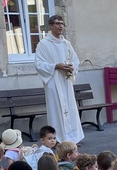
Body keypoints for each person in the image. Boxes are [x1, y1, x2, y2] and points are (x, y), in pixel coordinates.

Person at [34, 15, 83, 143]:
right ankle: (56, 139)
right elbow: (39, 64)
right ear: (50, 26)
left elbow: (75, 60)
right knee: (56, 111)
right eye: (57, 23)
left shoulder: (66, 44)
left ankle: (72, 139)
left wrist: (71, 67)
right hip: (53, 82)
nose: (60, 26)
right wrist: (55, 66)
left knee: (70, 110)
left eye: (62, 23)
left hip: (66, 80)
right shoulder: (43, 44)